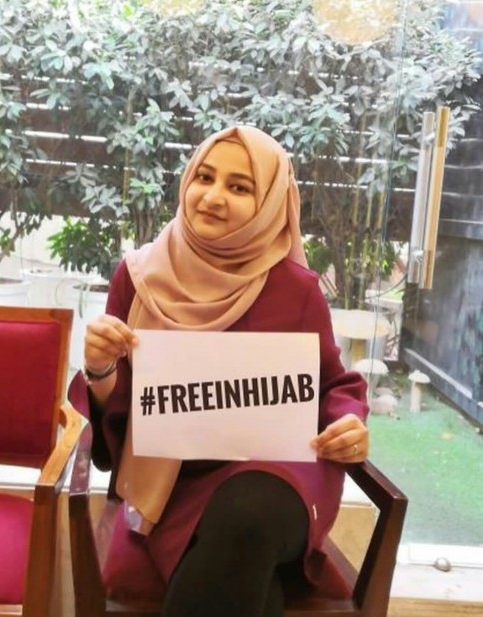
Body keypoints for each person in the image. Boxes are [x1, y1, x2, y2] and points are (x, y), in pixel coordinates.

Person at [80, 125, 369, 617]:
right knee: (252, 576)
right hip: (173, 479)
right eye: (204, 177)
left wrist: (348, 422)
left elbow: (333, 385)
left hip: (279, 473)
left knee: (247, 515)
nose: (213, 197)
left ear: (270, 202)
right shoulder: (138, 276)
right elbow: (120, 420)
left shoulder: (294, 288)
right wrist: (101, 367)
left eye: (239, 187)